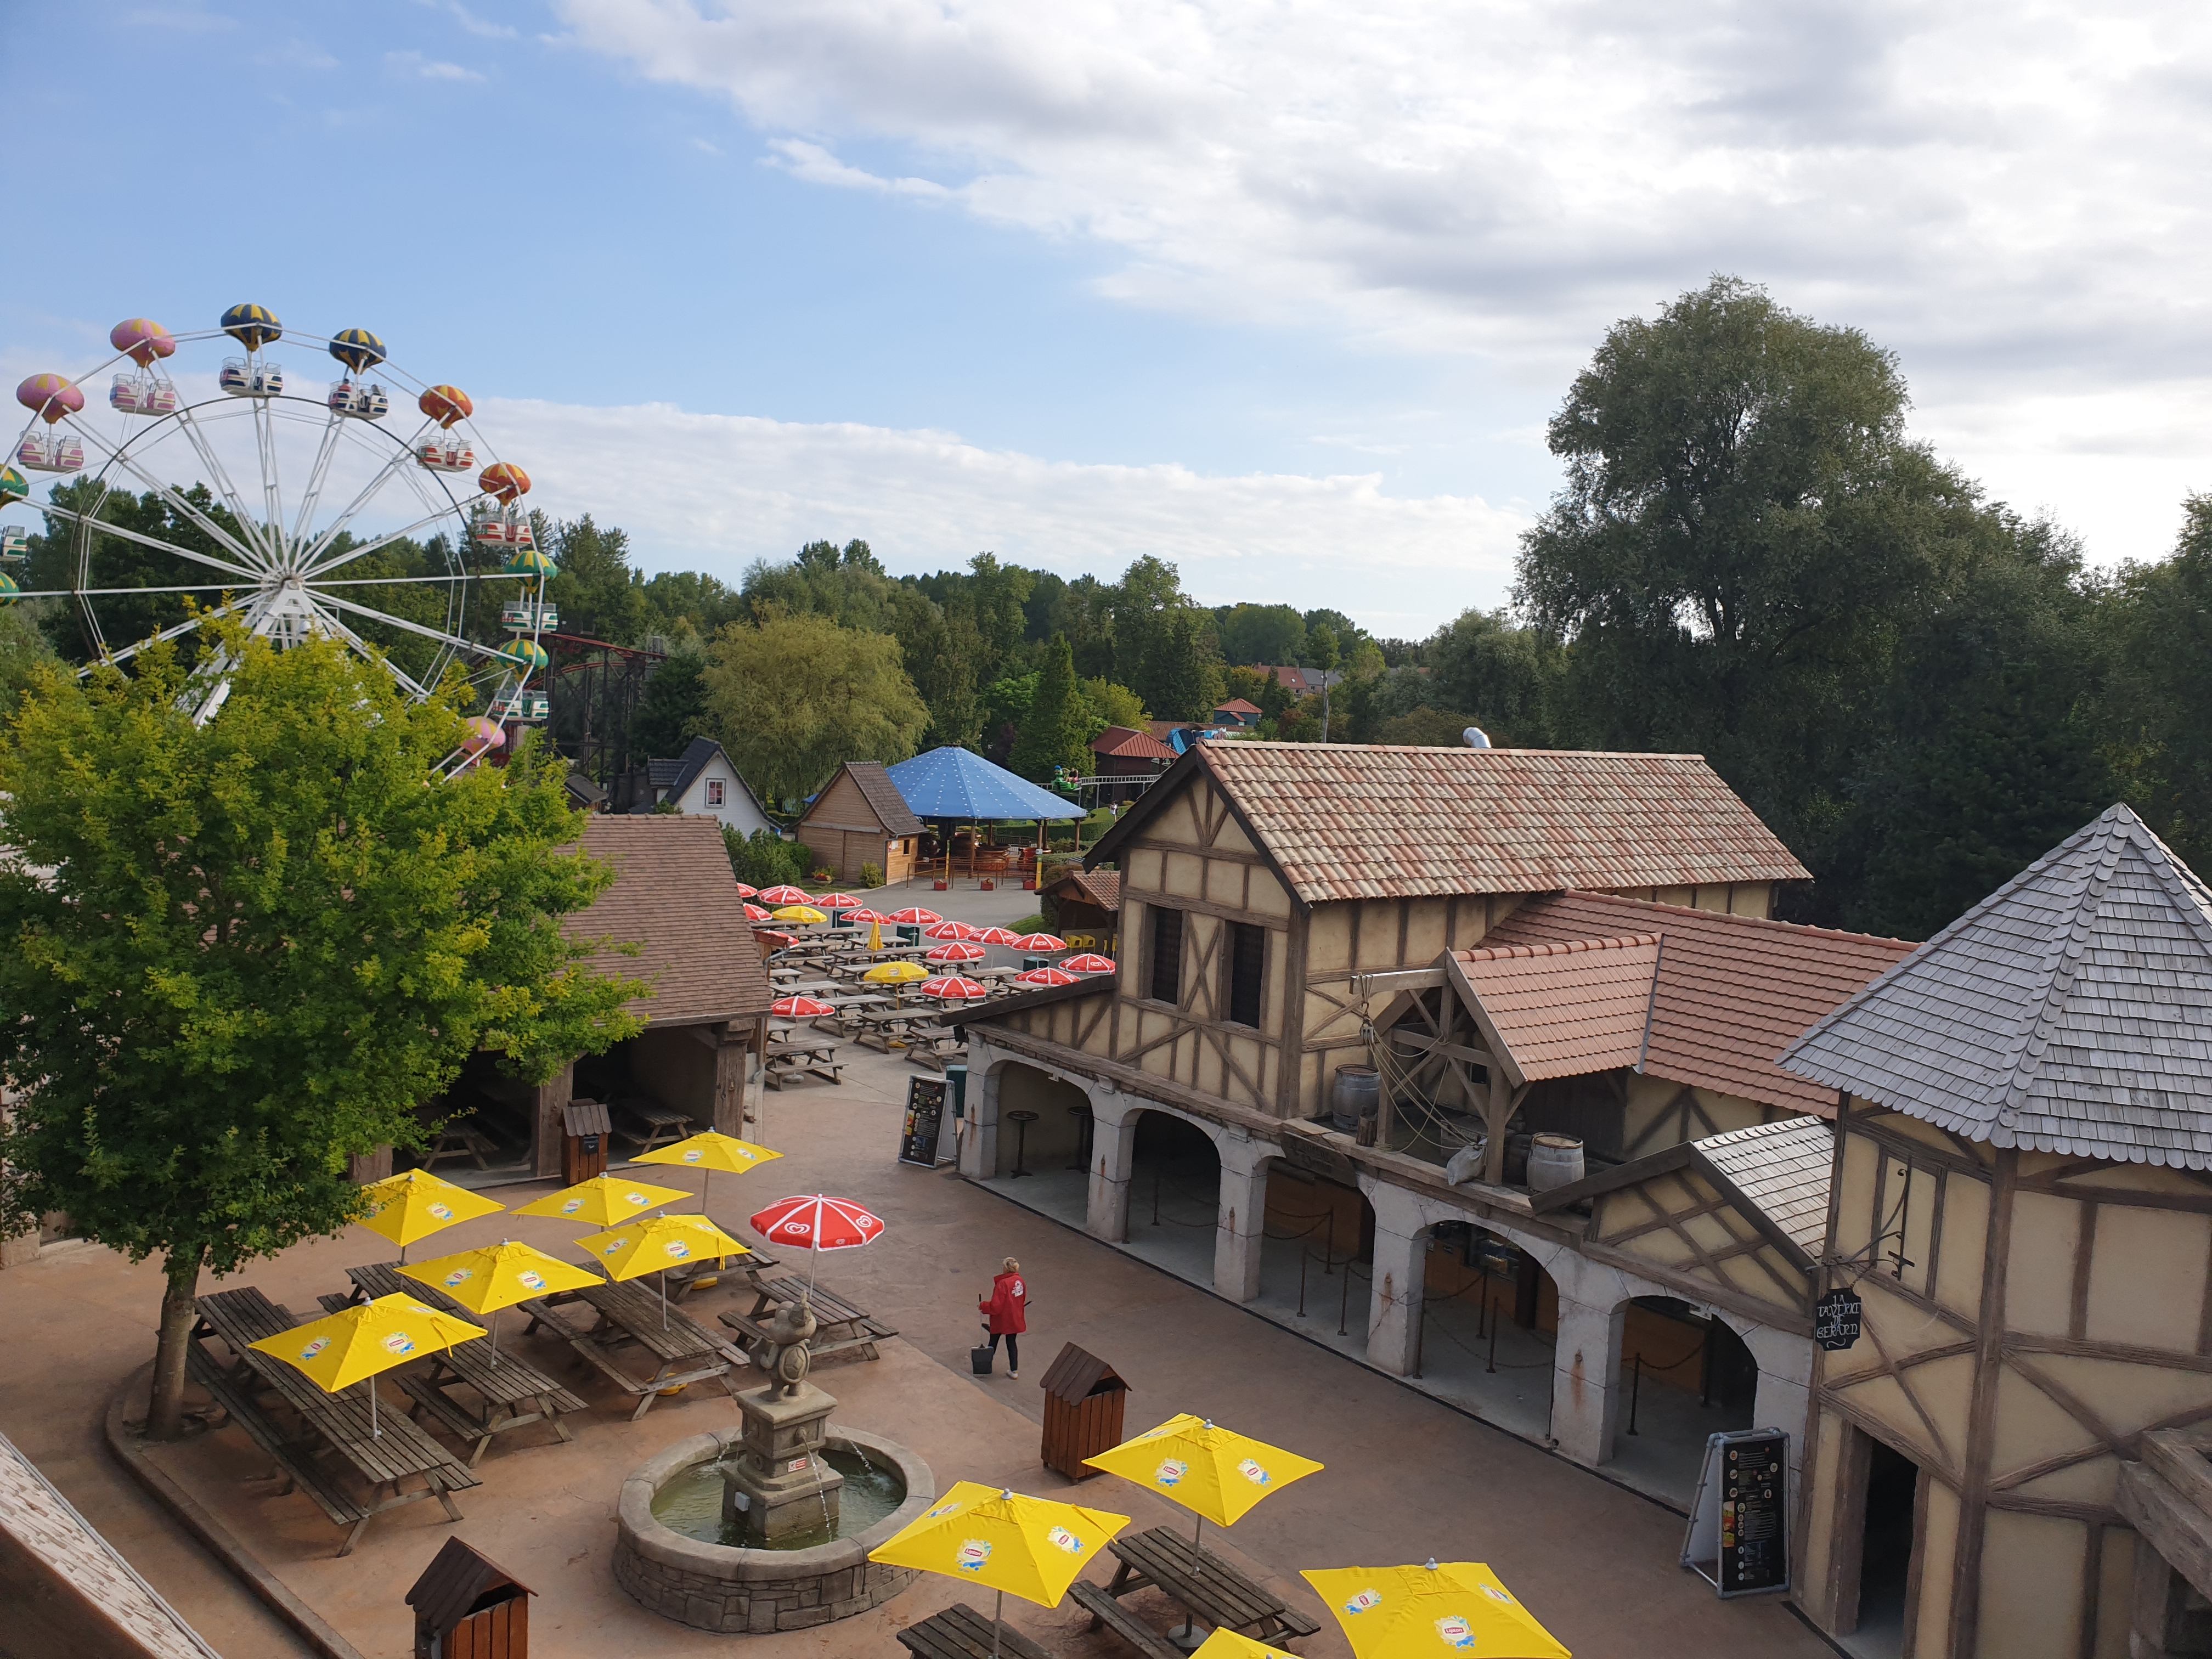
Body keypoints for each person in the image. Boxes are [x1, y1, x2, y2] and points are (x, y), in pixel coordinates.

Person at [979, 1256, 1028, 1378]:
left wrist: (983, 1306)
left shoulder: (1002, 1284)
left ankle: (985, 1367)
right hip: (1014, 1317)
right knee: (1011, 1342)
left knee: (993, 1342)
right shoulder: (1020, 1281)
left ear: (1006, 1269)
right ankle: (1014, 1370)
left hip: (1002, 1318)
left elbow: (996, 1306)